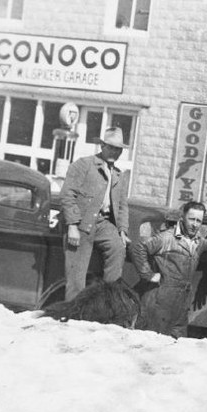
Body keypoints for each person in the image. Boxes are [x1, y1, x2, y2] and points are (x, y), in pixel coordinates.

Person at [132, 201, 207, 338]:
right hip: (159, 303)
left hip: (181, 306)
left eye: (199, 221)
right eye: (192, 219)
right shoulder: (167, 237)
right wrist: (148, 274)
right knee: (152, 344)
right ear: (182, 218)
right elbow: (138, 247)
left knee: (177, 347)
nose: (195, 224)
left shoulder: (199, 242)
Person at [60, 127, 131, 301]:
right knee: (76, 276)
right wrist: (72, 226)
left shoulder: (119, 175)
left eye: (118, 149)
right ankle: (73, 314)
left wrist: (122, 230)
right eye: (111, 147)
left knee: (118, 248)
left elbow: (122, 205)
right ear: (102, 146)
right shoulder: (83, 165)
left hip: (103, 224)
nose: (114, 152)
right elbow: (67, 194)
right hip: (81, 223)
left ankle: (107, 302)